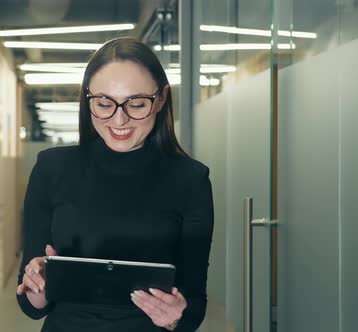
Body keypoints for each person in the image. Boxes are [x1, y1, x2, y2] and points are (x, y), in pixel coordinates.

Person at [16, 37, 214, 332]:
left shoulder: (190, 179)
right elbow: (30, 307)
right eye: (104, 103)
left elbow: (194, 305)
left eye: (136, 103)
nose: (119, 119)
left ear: (160, 99)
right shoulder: (51, 168)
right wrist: (39, 283)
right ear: (88, 99)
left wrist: (174, 317)